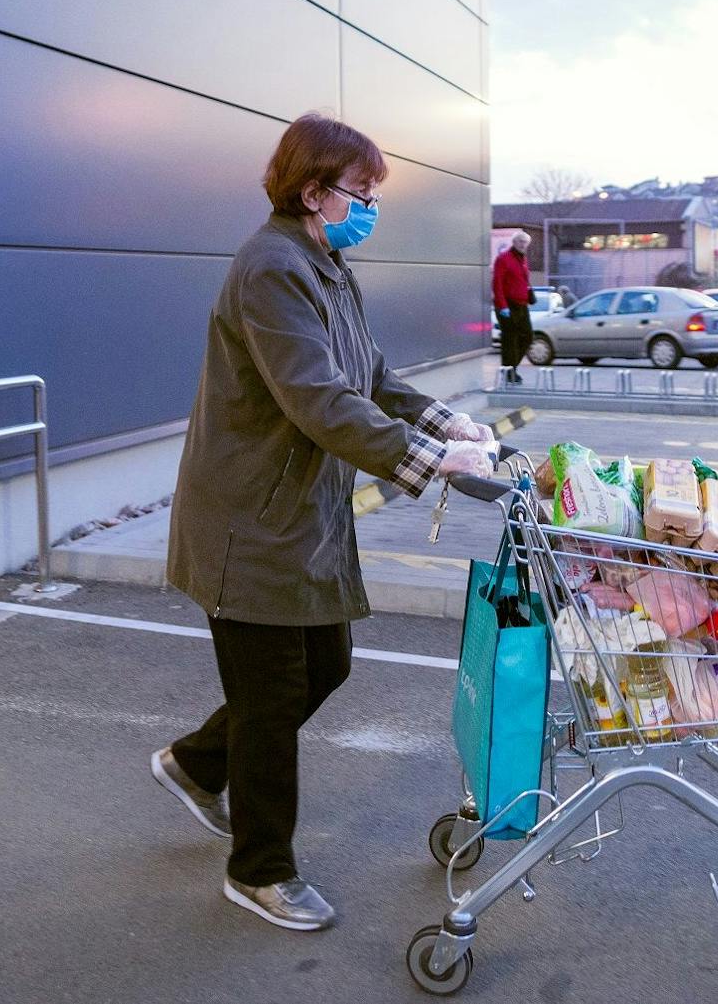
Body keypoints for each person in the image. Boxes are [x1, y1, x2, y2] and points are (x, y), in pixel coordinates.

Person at [153, 113, 500, 932]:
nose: (371, 207)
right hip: (251, 524)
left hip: (298, 517)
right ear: (314, 191)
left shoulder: (326, 264)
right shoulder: (271, 268)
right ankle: (259, 868)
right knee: (271, 697)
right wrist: (424, 460)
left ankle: (197, 763)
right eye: (362, 192)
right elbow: (317, 397)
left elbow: (370, 374)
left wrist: (447, 423)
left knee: (327, 665)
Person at [493, 229, 534, 384]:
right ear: (514, 243)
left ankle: (512, 367)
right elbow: (497, 283)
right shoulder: (504, 259)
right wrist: (502, 306)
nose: (523, 245)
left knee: (527, 336)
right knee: (510, 341)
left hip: (522, 305)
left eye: (525, 242)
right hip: (508, 305)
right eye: (520, 241)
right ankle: (509, 373)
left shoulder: (522, 260)